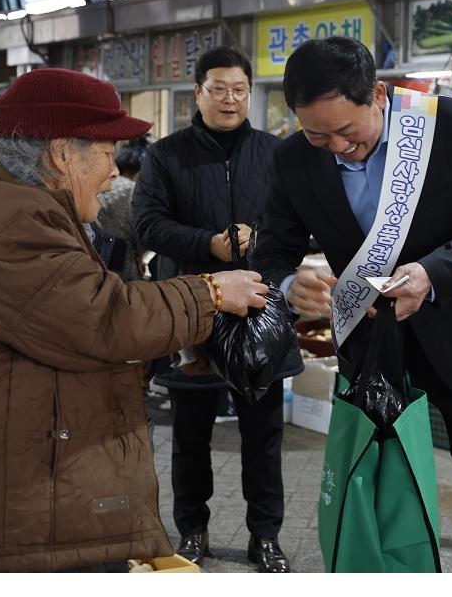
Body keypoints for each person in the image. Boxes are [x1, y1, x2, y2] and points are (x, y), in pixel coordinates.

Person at [0, 68, 271, 572]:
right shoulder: (16, 220)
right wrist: (210, 293)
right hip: (13, 506)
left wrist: (174, 348)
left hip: (15, 482)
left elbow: (66, 329)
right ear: (60, 153)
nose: (115, 171)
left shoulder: (5, 200)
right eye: (106, 151)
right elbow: (104, 318)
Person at [251, 36, 452, 573]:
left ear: (379, 95)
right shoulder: (292, 158)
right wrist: (289, 283)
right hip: (372, 344)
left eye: (348, 131)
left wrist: (432, 274)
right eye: (318, 134)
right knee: (379, 478)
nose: (337, 147)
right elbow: (272, 247)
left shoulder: (447, 126)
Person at [132, 46, 301, 573]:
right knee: (190, 435)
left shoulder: (277, 153)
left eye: (239, 89)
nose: (230, 98)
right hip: (193, 310)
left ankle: (265, 535)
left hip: (259, 311)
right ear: (198, 93)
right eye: (218, 89)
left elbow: (297, 225)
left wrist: (260, 239)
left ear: (250, 93)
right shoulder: (167, 155)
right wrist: (211, 244)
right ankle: (193, 532)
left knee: (263, 434)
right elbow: (147, 225)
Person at [93, 138, 150, 281]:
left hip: (93, 256)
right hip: (124, 262)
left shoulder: (102, 184)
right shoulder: (134, 191)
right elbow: (144, 236)